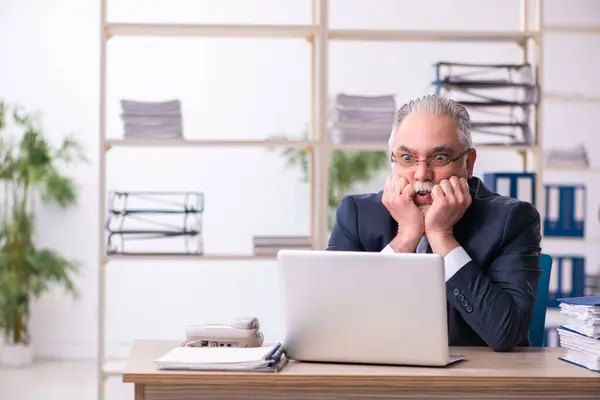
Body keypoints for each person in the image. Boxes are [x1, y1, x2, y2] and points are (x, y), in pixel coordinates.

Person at [327, 94, 542, 352]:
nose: (421, 174)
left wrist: (441, 236)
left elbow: (505, 333)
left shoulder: (513, 220)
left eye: (439, 157)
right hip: (379, 378)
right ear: (393, 161)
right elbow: (333, 324)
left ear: (469, 162)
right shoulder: (357, 214)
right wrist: (406, 236)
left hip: (474, 384)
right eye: (407, 158)